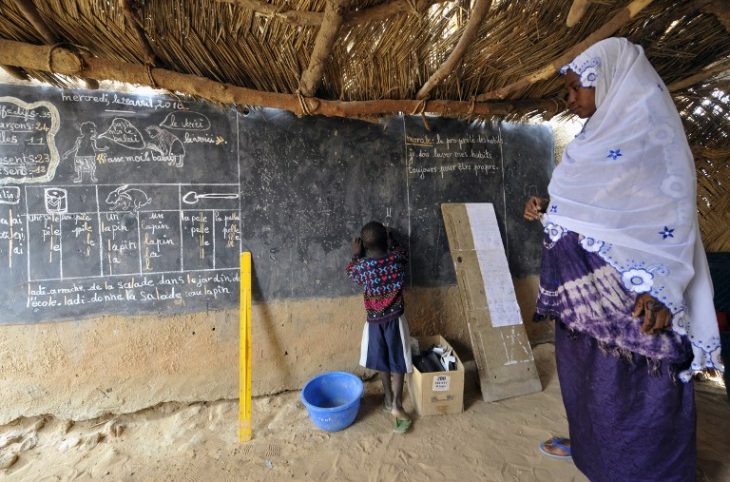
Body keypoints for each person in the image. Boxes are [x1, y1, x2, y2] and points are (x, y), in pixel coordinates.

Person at [524, 37, 722, 482]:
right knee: (589, 384)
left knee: (639, 390)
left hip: (638, 303)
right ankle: (595, 454)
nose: (570, 98)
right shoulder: (591, 140)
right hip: (584, 303)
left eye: (577, 87)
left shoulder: (655, 143)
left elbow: (669, 222)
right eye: (569, 89)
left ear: (608, 80)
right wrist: (547, 209)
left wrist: (663, 290)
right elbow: (598, 218)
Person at [346, 221, 412, 433]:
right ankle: (397, 406)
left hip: (374, 323)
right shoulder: (396, 260)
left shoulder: (363, 267)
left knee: (382, 360)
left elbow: (351, 271)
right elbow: (402, 253)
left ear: (364, 246)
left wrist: (356, 254)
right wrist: (393, 243)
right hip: (395, 321)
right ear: (386, 240)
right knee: (398, 363)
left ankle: (388, 398)